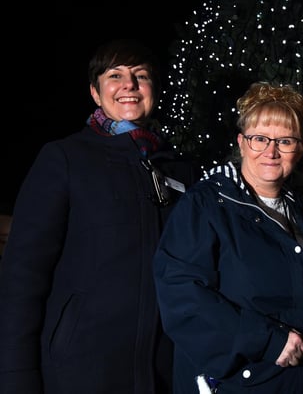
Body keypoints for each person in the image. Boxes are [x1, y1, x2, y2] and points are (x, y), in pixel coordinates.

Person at [0, 38, 197, 393]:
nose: (129, 86)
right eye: (115, 75)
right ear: (95, 92)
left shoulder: (178, 169)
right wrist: (16, 377)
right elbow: (22, 276)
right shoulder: (65, 159)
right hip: (81, 370)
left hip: (165, 371)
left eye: (141, 76)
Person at [153, 81, 303, 394]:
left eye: (285, 140)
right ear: (242, 142)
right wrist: (268, 340)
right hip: (234, 382)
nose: (271, 151)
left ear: (299, 149)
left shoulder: (298, 209)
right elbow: (181, 296)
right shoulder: (206, 204)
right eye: (260, 138)